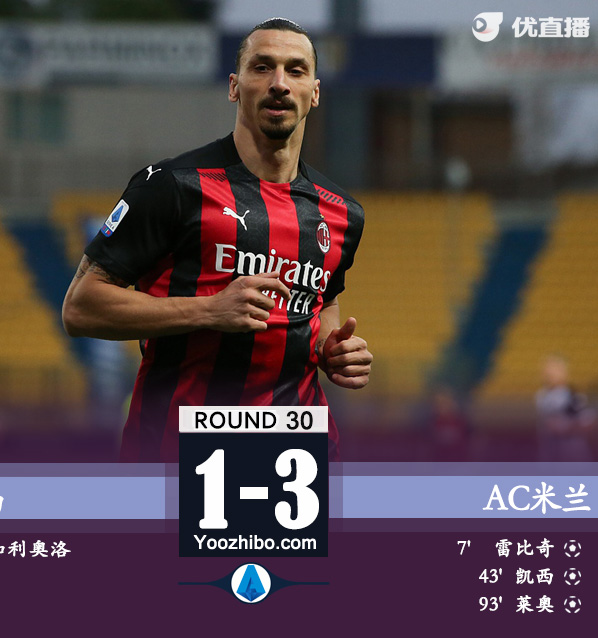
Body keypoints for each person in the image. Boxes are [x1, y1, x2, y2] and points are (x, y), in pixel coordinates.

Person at [62, 17, 373, 461]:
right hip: (176, 453)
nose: (279, 83)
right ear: (234, 86)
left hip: (295, 459)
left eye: (296, 70)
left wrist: (330, 348)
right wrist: (210, 309)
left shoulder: (341, 212)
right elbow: (80, 308)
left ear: (315, 92)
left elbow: (322, 301)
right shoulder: (172, 186)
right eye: (262, 67)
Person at [535, 355, 595, 461]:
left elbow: (589, 423)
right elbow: (547, 425)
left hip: (573, 457)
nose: (549, 373)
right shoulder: (542, 396)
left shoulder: (573, 395)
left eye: (554, 369)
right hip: (552, 456)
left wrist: (566, 427)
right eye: (547, 369)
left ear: (564, 372)